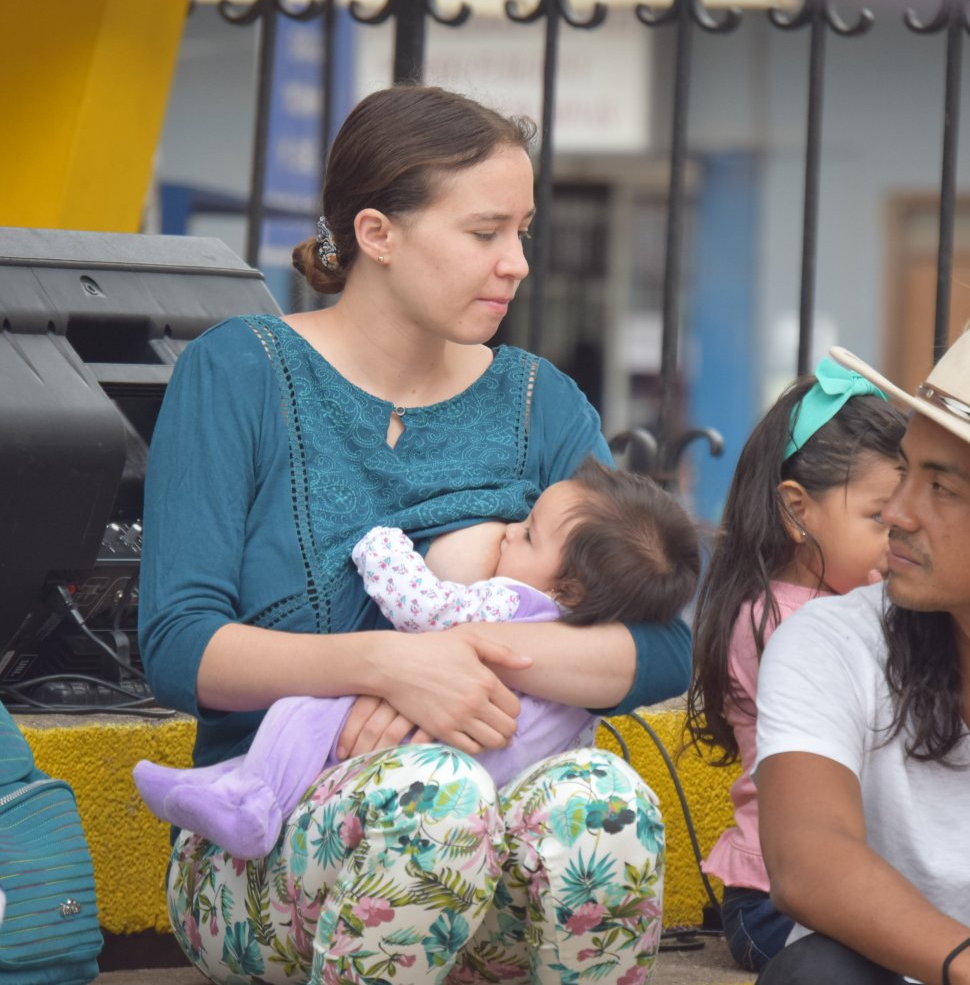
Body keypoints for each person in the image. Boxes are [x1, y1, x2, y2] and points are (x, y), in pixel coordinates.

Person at [138, 84, 692, 985]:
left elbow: (663, 646)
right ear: (376, 233)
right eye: (484, 234)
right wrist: (384, 663)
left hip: (503, 838)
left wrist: (456, 651)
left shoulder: (538, 402)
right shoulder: (238, 372)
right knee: (432, 798)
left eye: (523, 231)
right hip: (272, 854)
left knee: (607, 801)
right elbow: (178, 642)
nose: (516, 262)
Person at [134, 457, 701, 860]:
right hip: (496, 805)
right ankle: (239, 786)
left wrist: (381, 543)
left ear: (571, 591)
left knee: (306, 715)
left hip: (422, 784)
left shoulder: (512, 603)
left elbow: (424, 609)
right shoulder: (586, 643)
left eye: (527, 535)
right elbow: (179, 642)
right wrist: (387, 664)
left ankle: (248, 796)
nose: (507, 530)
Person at [753, 311, 970, 985]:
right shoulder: (831, 641)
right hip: (913, 974)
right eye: (904, 473)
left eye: (942, 487)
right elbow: (806, 859)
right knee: (815, 974)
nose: (898, 511)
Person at [684, 358, 905, 972]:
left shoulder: (836, 608)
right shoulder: (781, 625)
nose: (900, 537)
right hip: (778, 905)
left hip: (854, 886)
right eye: (879, 518)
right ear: (797, 509)